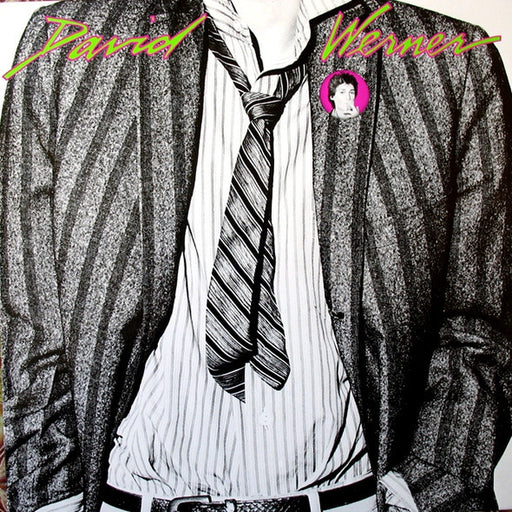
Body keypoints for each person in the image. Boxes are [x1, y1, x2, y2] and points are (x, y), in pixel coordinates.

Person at [1, 0, 511, 511]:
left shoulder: (453, 62)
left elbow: (481, 322)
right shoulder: (64, 44)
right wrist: (50, 501)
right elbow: (31, 319)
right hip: (130, 494)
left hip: (354, 497)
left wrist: (425, 491)